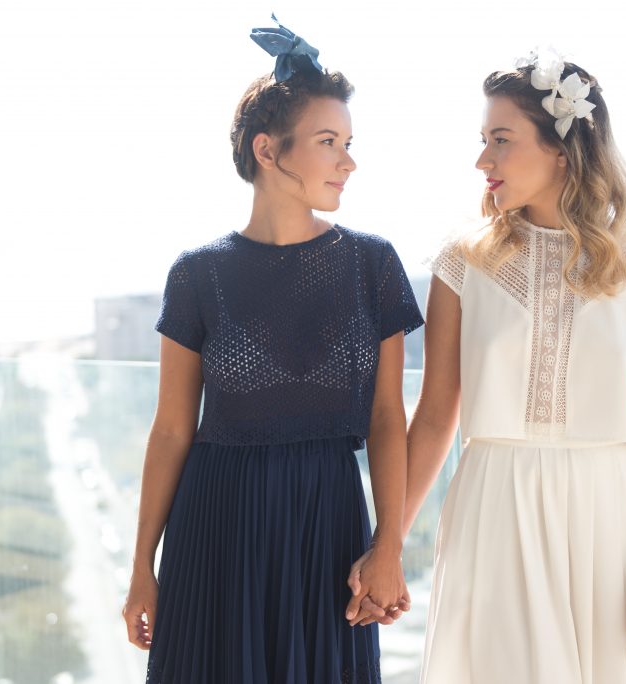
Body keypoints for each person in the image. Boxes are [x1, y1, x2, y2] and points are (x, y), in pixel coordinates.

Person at [358, 48, 626, 682]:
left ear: (562, 151)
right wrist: (388, 543)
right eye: (483, 141)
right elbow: (434, 418)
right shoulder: (463, 263)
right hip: (494, 509)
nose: (482, 160)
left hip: (608, 519)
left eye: (501, 140)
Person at [122, 17, 423, 683]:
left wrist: (388, 545)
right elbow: (171, 430)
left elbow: (386, 419)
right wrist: (142, 566)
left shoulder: (372, 264)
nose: (348, 161)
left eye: (348, 143)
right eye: (327, 142)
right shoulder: (197, 274)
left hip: (327, 525)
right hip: (216, 529)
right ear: (267, 150)